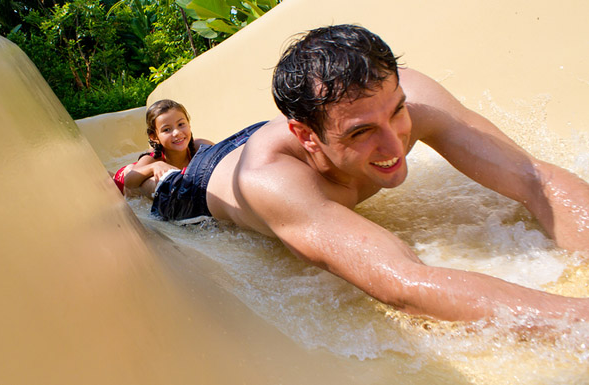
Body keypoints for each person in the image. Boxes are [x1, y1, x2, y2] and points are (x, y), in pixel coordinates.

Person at [146, 24, 589, 322]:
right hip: (199, 184)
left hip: (281, 129)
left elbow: (534, 179)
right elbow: (402, 283)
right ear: (307, 136)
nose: (395, 146)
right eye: (362, 133)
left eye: (397, 113)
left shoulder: (403, 94)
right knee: (156, 181)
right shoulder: (273, 179)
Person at [113, 99, 212, 197]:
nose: (177, 132)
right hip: (122, 179)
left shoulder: (200, 145)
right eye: (167, 129)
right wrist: (155, 166)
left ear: (189, 124)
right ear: (154, 137)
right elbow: (129, 180)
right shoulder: (154, 157)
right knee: (112, 179)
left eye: (181, 124)